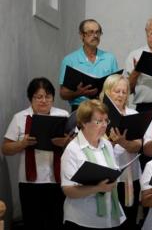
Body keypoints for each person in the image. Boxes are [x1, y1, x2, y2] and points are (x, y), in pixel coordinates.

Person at [2, 77, 70, 230]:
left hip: (57, 180)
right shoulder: (20, 118)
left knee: (57, 222)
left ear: (53, 98)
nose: (43, 100)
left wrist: (65, 143)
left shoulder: (63, 115)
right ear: (30, 98)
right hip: (30, 182)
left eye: (48, 96)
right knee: (33, 223)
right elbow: (5, 148)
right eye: (38, 97)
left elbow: (77, 146)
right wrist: (22, 143)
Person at [61, 99, 126, 229]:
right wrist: (97, 188)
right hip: (83, 218)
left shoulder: (106, 144)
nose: (104, 125)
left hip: (110, 215)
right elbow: (68, 190)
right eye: (98, 121)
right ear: (84, 123)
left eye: (106, 120)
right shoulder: (73, 150)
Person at [100, 75, 142, 229]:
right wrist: (110, 142)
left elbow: (138, 146)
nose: (121, 95)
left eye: (124, 92)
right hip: (106, 178)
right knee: (108, 221)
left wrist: (121, 141)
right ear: (107, 92)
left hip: (130, 177)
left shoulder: (133, 115)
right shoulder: (98, 115)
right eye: (116, 91)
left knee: (129, 221)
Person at [59, 19, 119, 111]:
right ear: (82, 35)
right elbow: (63, 94)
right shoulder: (69, 60)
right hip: (79, 109)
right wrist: (79, 93)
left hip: (104, 108)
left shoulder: (110, 58)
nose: (95, 36)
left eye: (98, 32)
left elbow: (116, 87)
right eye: (90, 32)